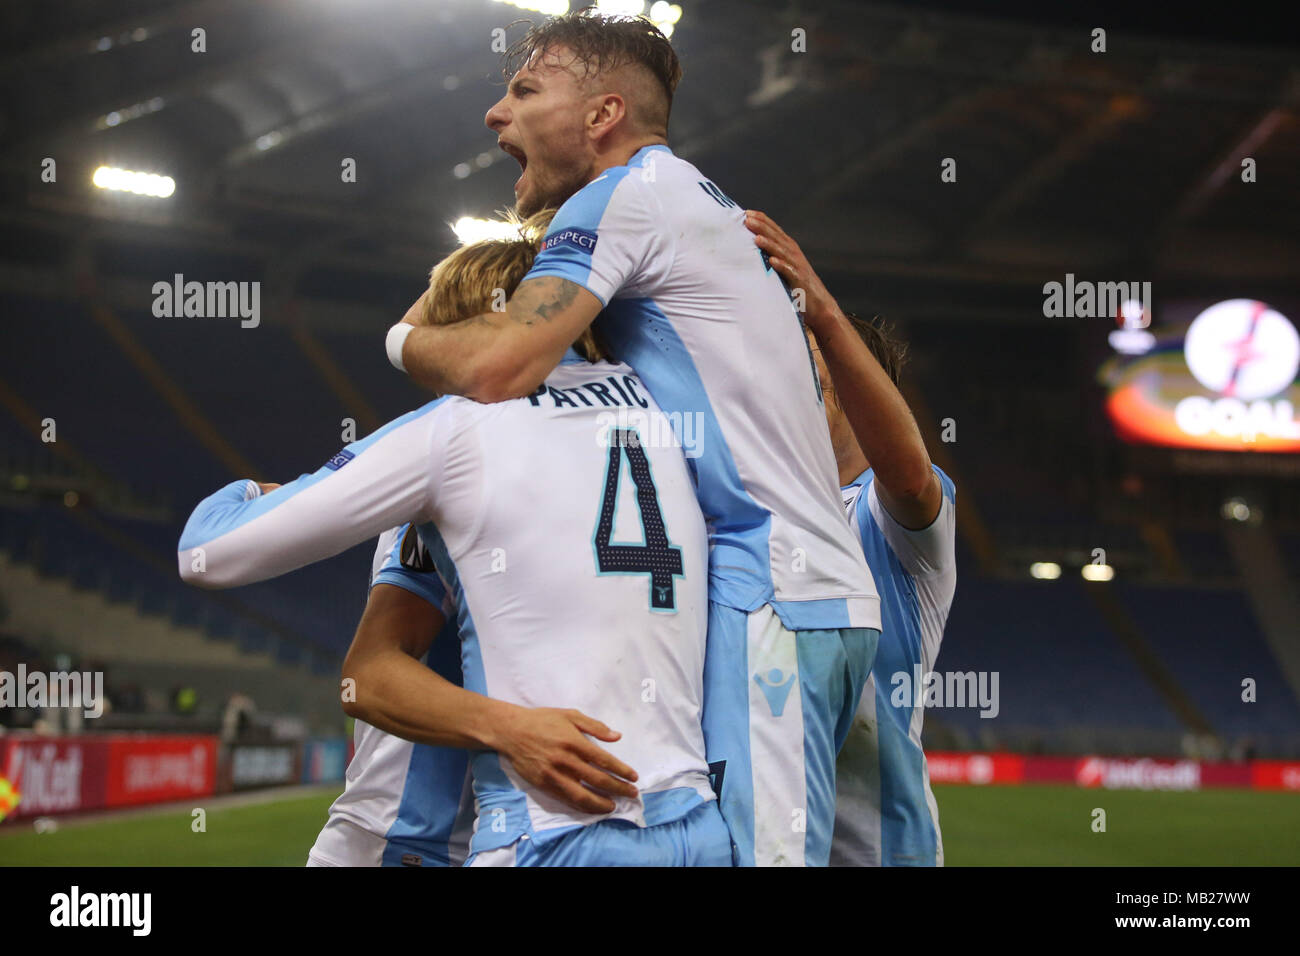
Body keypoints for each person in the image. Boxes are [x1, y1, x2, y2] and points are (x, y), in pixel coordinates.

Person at [386, 7, 880, 868]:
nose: (496, 115)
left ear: (603, 114)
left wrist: (398, 337)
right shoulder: (693, 203)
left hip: (772, 597)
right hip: (809, 593)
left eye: (524, 90)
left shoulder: (624, 197)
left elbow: (504, 365)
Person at [180, 210, 730, 866]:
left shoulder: (453, 435)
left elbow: (208, 553)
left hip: (508, 832)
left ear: (464, 333)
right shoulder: (670, 412)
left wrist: (254, 492)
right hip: (691, 819)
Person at [745, 210, 955, 866]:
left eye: (810, 367)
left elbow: (911, 477)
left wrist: (825, 316)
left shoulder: (889, 511)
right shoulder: (759, 505)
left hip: (882, 850)